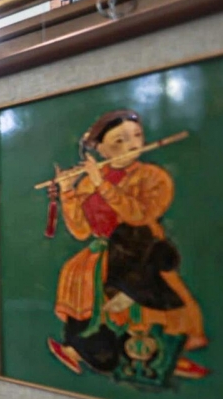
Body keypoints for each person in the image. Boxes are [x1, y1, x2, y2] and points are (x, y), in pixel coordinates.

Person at [45, 109, 206, 383]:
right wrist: (68, 191)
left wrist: (102, 184)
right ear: (99, 149)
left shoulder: (152, 177)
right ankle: (82, 350)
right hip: (100, 252)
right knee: (79, 279)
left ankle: (170, 356)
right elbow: (82, 231)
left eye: (136, 137)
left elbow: (138, 215)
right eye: (118, 141)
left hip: (138, 250)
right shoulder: (88, 180)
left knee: (157, 300)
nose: (131, 146)